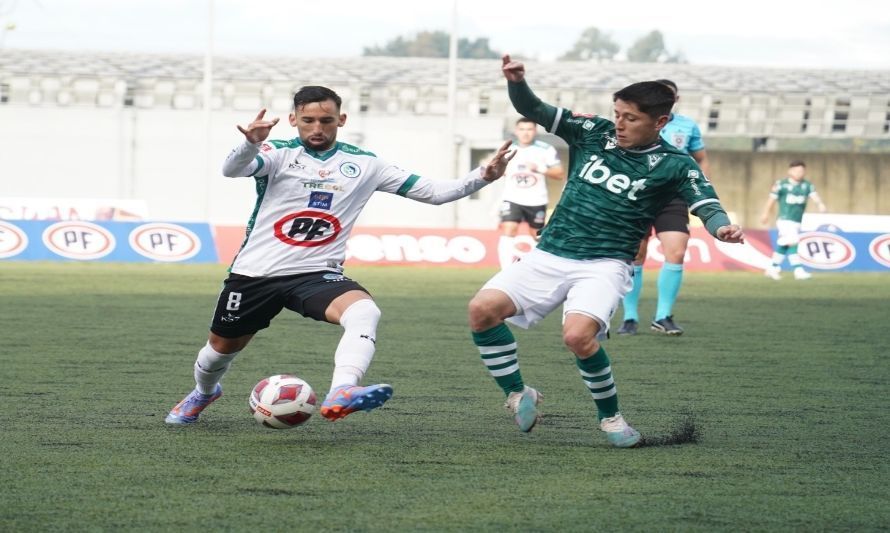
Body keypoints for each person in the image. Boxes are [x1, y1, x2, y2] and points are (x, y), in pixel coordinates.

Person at [166, 85, 515, 425]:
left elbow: (435, 193)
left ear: (341, 119)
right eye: (308, 121)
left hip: (316, 272)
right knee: (218, 352)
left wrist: (483, 176)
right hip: (256, 272)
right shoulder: (278, 153)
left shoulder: (365, 164)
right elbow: (232, 169)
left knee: (364, 311)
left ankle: (342, 391)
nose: (317, 128)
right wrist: (249, 142)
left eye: (326, 121)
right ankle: (204, 392)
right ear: (293, 120)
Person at [467, 55, 744, 447]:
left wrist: (723, 228)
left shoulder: (675, 165)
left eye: (631, 118)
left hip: (604, 264)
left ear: (660, 122)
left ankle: (611, 419)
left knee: (577, 337)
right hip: (550, 254)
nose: (619, 123)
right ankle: (517, 395)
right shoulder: (592, 132)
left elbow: (707, 204)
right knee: (481, 310)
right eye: (617, 113)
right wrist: (516, 82)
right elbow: (534, 109)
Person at [616, 79, 711, 336]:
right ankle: (630, 318)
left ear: (675, 100)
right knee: (636, 255)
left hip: (672, 196)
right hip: (637, 194)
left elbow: (700, 159)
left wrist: (696, 187)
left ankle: (663, 316)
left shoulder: (687, 126)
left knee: (677, 252)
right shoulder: (635, 121)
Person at [496, 117, 564, 267]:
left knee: (537, 236)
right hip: (512, 198)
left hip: (536, 199)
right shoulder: (507, 149)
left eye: (529, 129)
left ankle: (535, 269)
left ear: (535, 131)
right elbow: (497, 170)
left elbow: (559, 173)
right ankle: (505, 271)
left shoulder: (546, 149)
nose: (525, 133)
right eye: (522, 129)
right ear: (516, 131)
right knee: (509, 228)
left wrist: (539, 168)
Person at [760, 160, 827, 280]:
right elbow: (771, 200)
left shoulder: (807, 185)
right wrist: (765, 213)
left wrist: (820, 204)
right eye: (796, 170)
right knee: (793, 241)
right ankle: (798, 270)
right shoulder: (781, 184)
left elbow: (814, 196)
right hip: (785, 219)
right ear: (790, 171)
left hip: (797, 221)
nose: (799, 173)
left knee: (784, 244)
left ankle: (772, 267)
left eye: (801, 170)